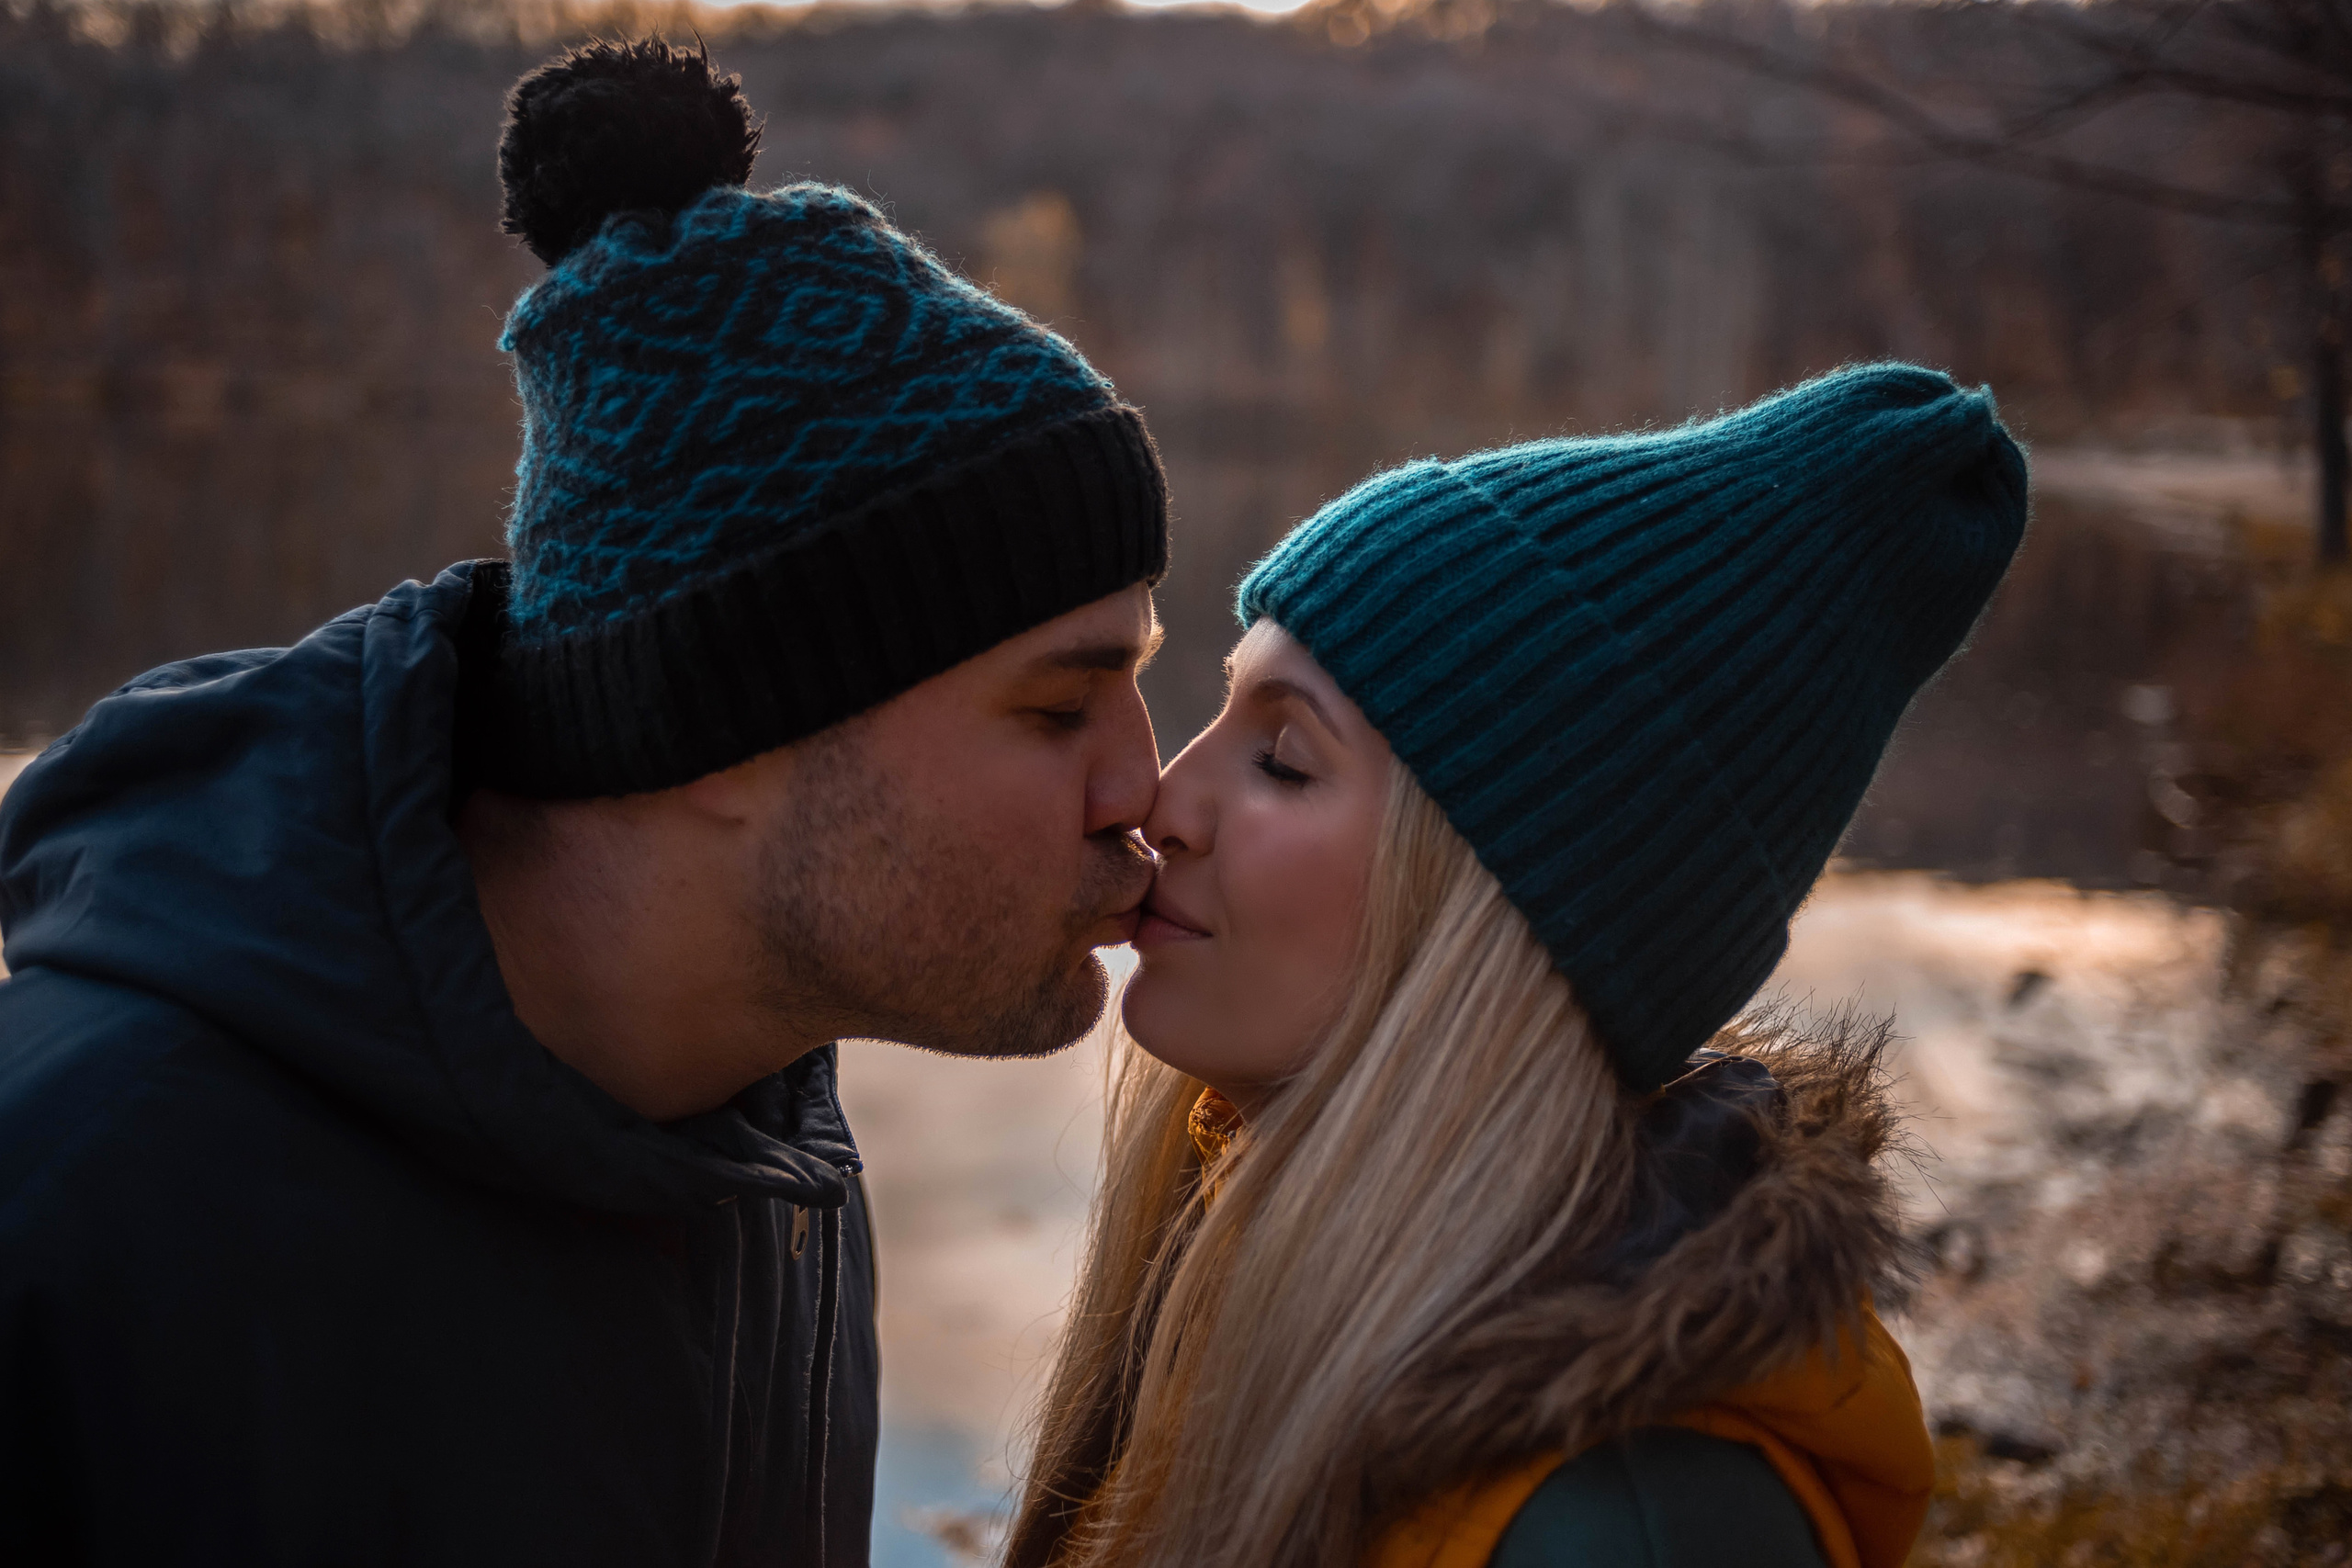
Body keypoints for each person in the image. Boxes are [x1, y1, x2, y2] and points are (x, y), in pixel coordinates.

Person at [0, 40, 1168, 1567]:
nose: (1146, 783)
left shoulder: (769, 1160)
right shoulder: (86, 1212)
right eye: (1057, 706)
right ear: (725, 733)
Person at [1007, 364, 2030, 1568]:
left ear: (1499, 915)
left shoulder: (1623, 1529)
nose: (1167, 798)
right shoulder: (1260, 1265)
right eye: (1226, 713)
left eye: (1283, 759)